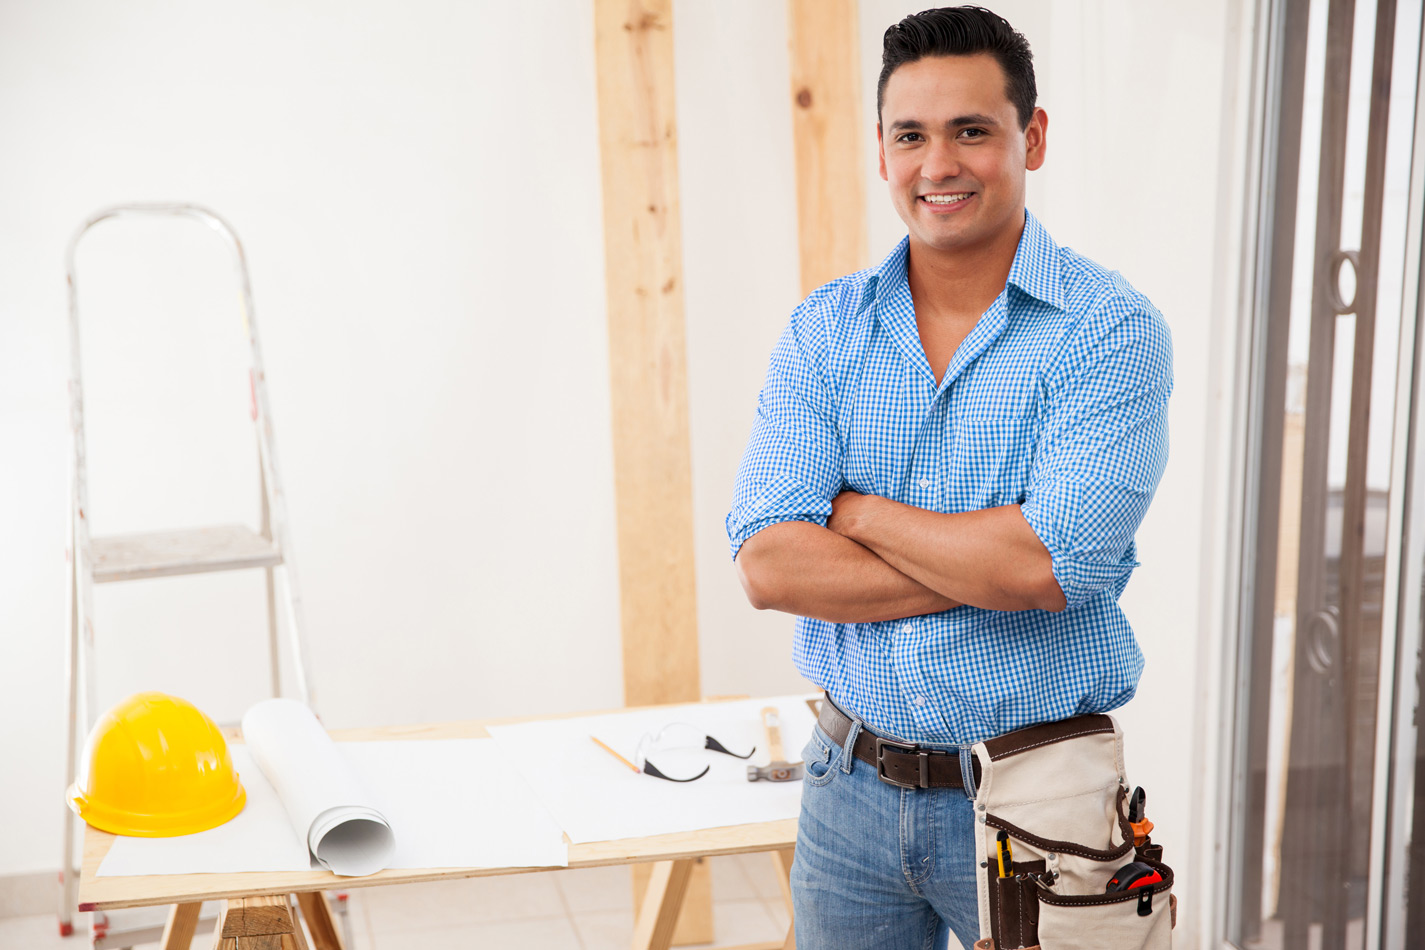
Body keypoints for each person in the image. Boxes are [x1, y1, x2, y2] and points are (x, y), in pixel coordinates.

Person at [725, 6, 1173, 949]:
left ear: (1031, 137)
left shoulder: (1110, 332)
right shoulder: (825, 330)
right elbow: (769, 565)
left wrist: (852, 513)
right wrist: (983, 555)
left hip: (1036, 796)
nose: (938, 165)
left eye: (971, 130)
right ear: (882, 152)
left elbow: (1047, 567)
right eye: (910, 135)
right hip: (846, 790)